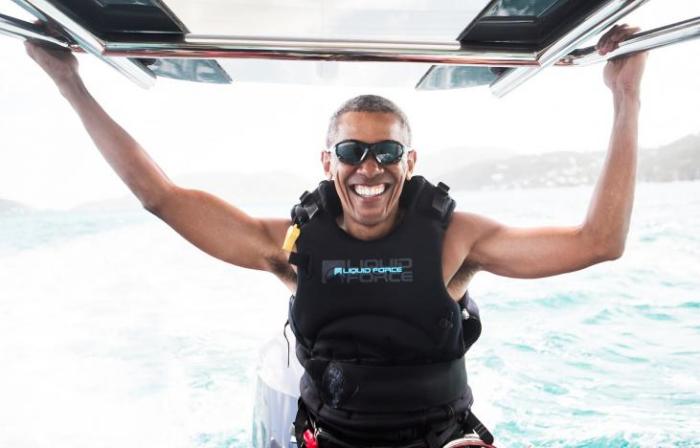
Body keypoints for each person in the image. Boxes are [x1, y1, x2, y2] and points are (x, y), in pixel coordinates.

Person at [25, 23, 647, 448]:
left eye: (386, 152)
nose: (369, 167)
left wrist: (626, 95)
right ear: (328, 162)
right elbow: (159, 196)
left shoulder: (457, 239)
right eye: (352, 150)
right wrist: (68, 82)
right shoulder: (292, 244)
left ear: (409, 160)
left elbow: (598, 242)